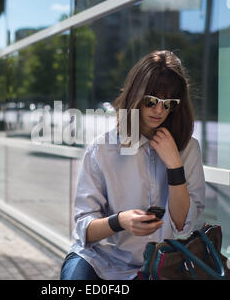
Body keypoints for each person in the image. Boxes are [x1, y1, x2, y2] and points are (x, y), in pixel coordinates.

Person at [60, 50, 206, 280]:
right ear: (136, 97)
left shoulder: (188, 149)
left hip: (161, 263)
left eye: (168, 104)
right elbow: (84, 229)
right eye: (152, 101)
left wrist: (174, 166)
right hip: (99, 259)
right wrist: (120, 221)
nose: (159, 110)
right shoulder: (102, 149)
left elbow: (182, 224)